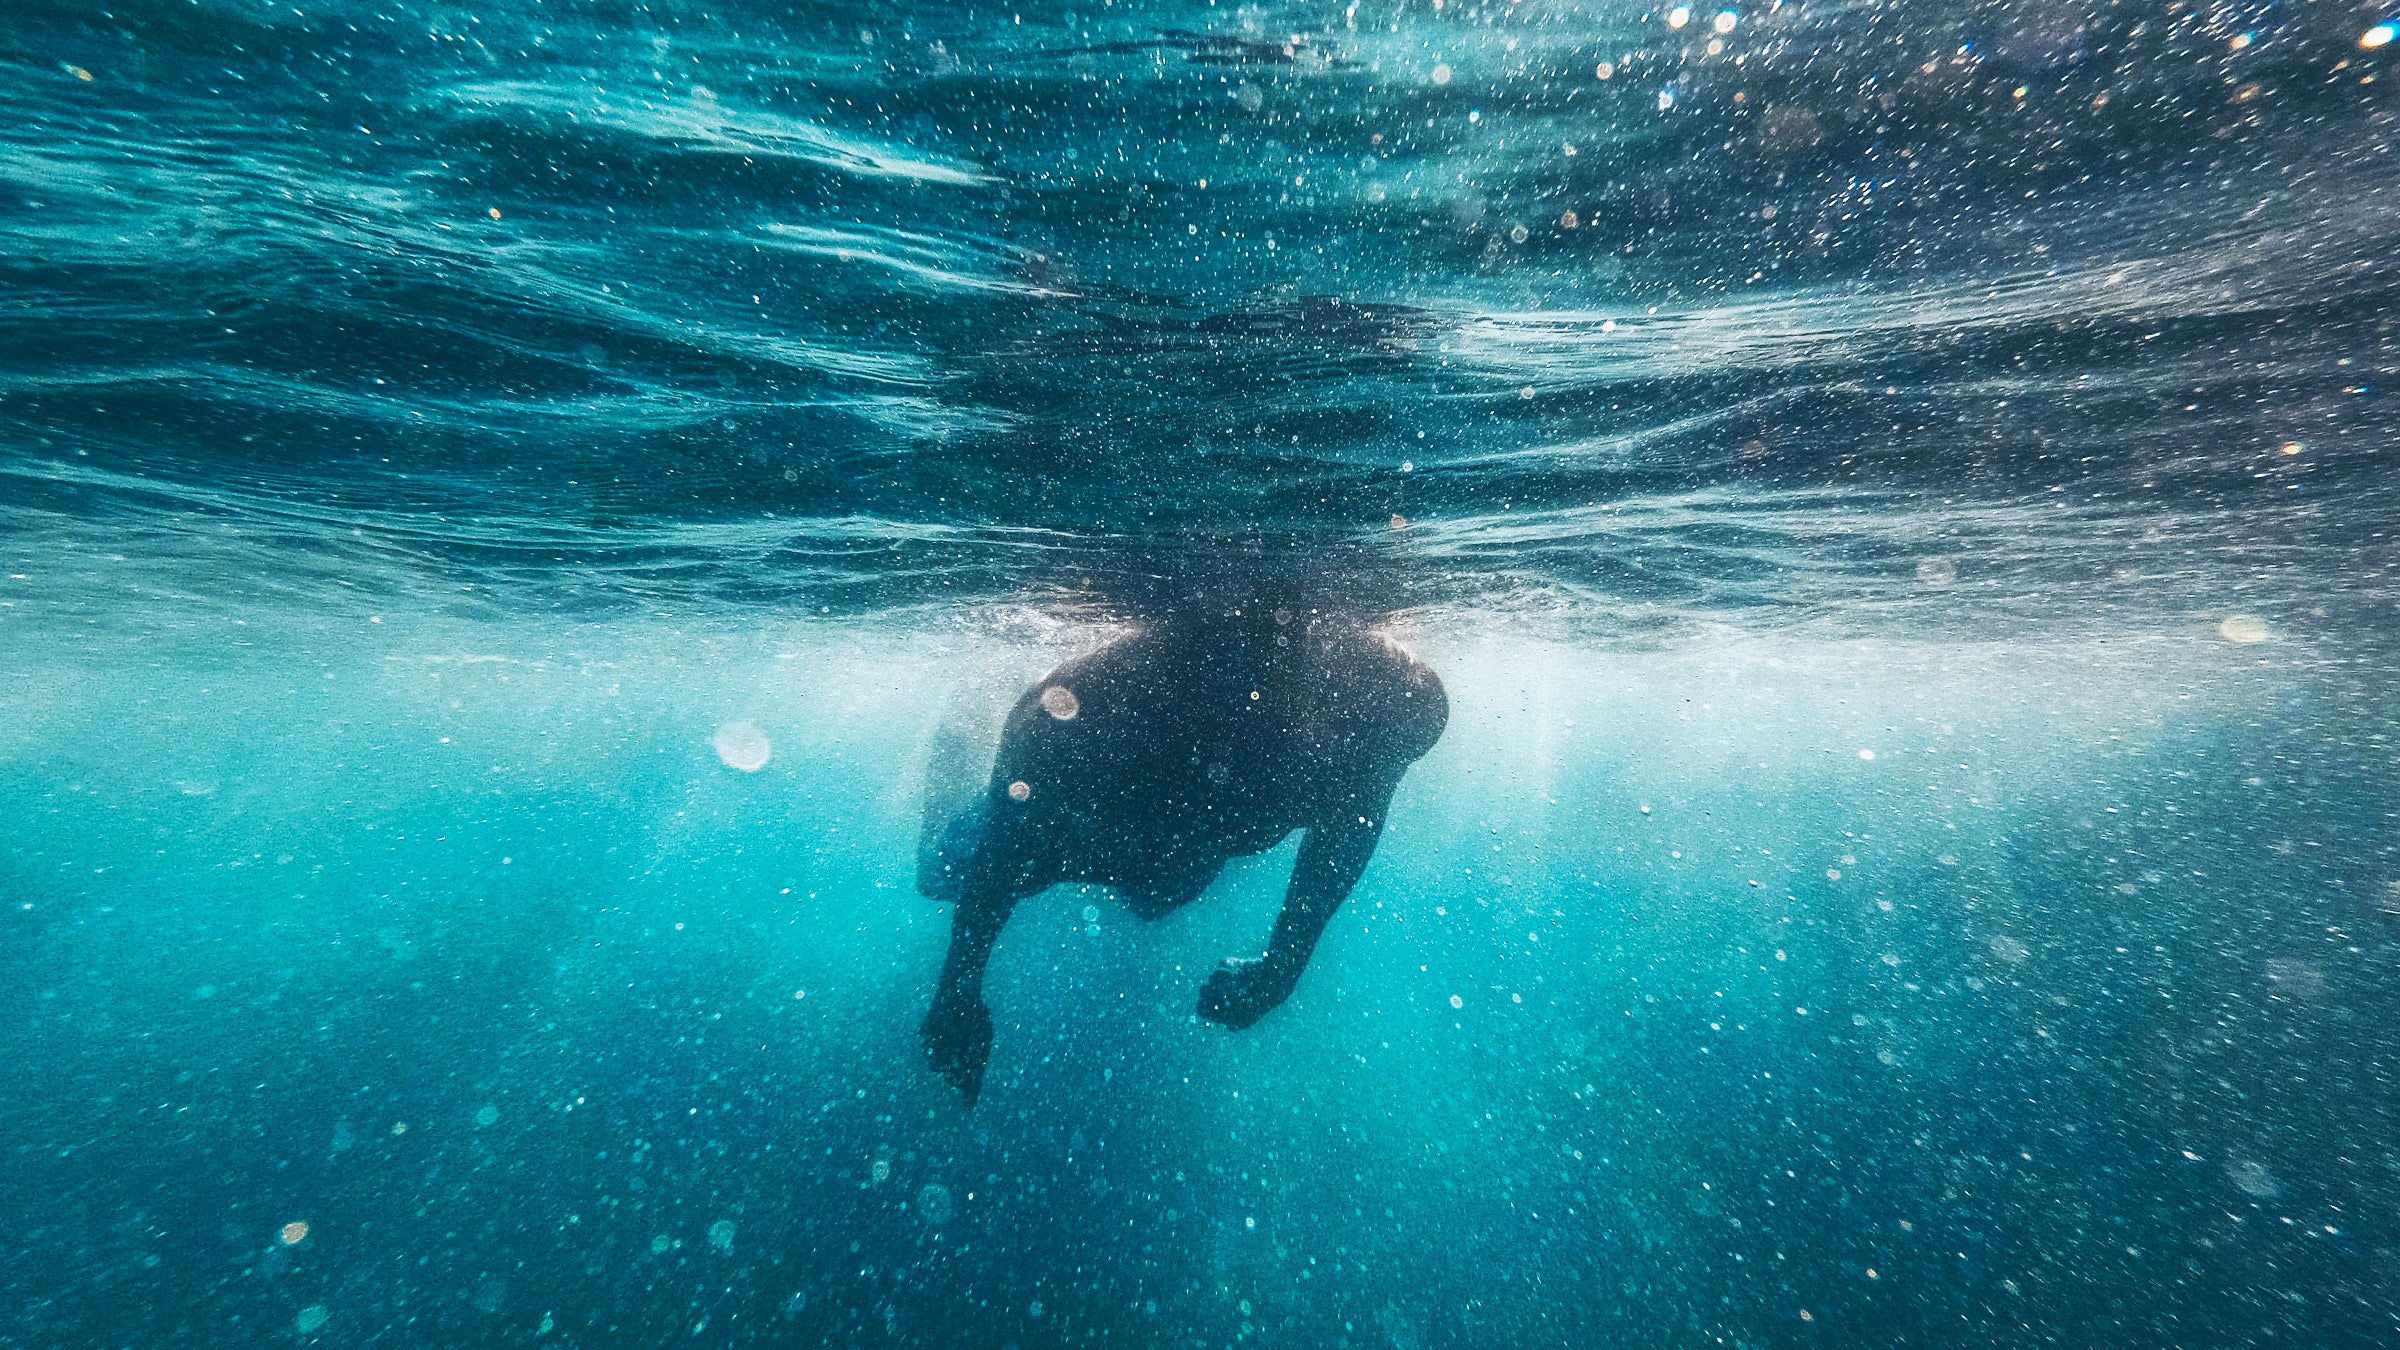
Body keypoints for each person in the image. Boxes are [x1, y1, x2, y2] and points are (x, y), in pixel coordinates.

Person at [916, 605, 1447, 1103]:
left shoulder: (1379, 722)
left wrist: (1281, 968)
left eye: (1393, 762)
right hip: (1072, 799)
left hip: (1185, 832)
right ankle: (957, 755)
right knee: (951, 872)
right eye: (1366, 756)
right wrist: (959, 987)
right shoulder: (1185, 670)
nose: (1371, 784)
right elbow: (1032, 754)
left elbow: (1346, 838)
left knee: (1151, 903)